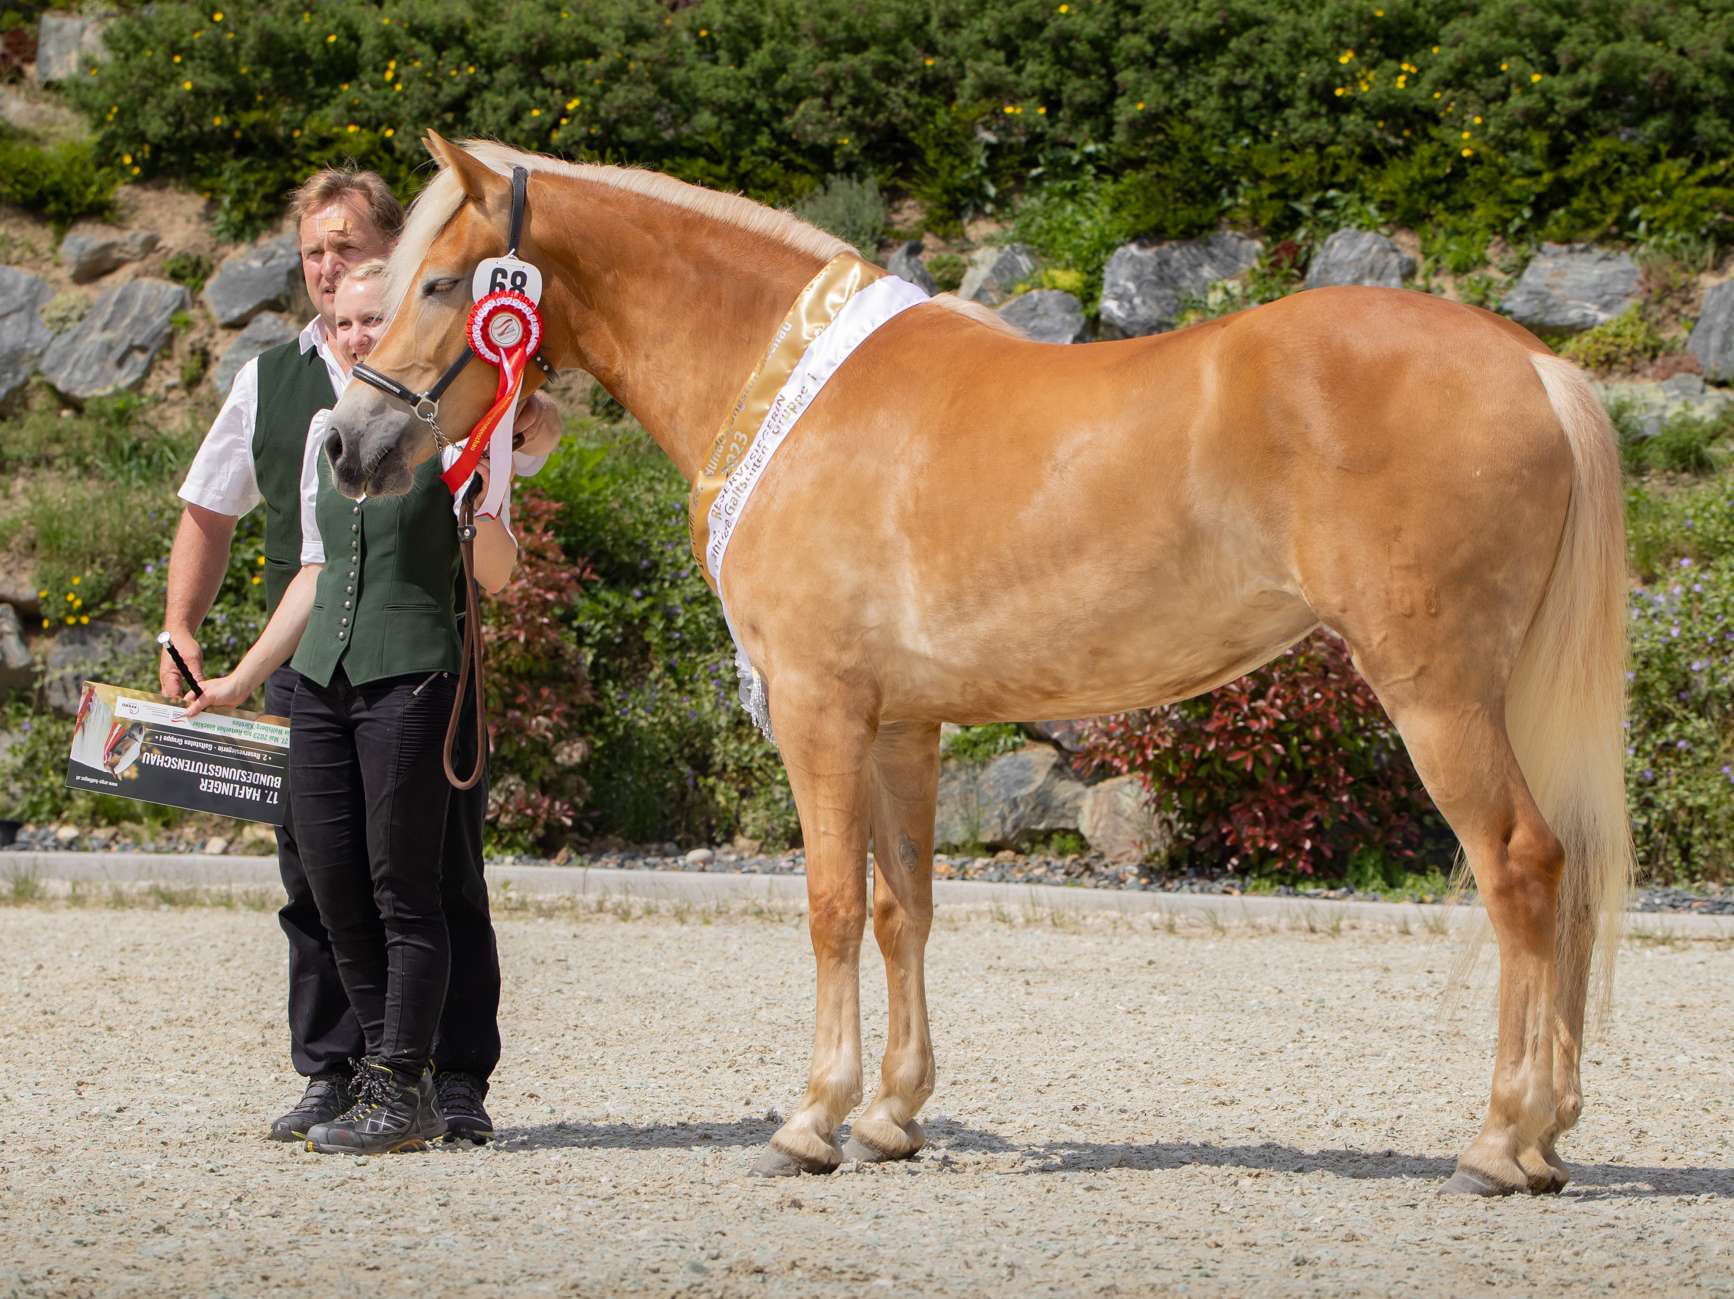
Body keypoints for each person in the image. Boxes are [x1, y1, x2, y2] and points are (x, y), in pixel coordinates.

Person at [164, 170, 555, 1144]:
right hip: (319, 666)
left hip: (418, 665)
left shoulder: (450, 399)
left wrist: (514, 434)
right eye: (316, 263)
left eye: (347, 257)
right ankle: (353, 1069)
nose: (332, 284)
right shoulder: (292, 400)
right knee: (327, 878)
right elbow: (281, 547)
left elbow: (514, 495)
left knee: (425, 880)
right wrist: (233, 671)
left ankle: (437, 1078)